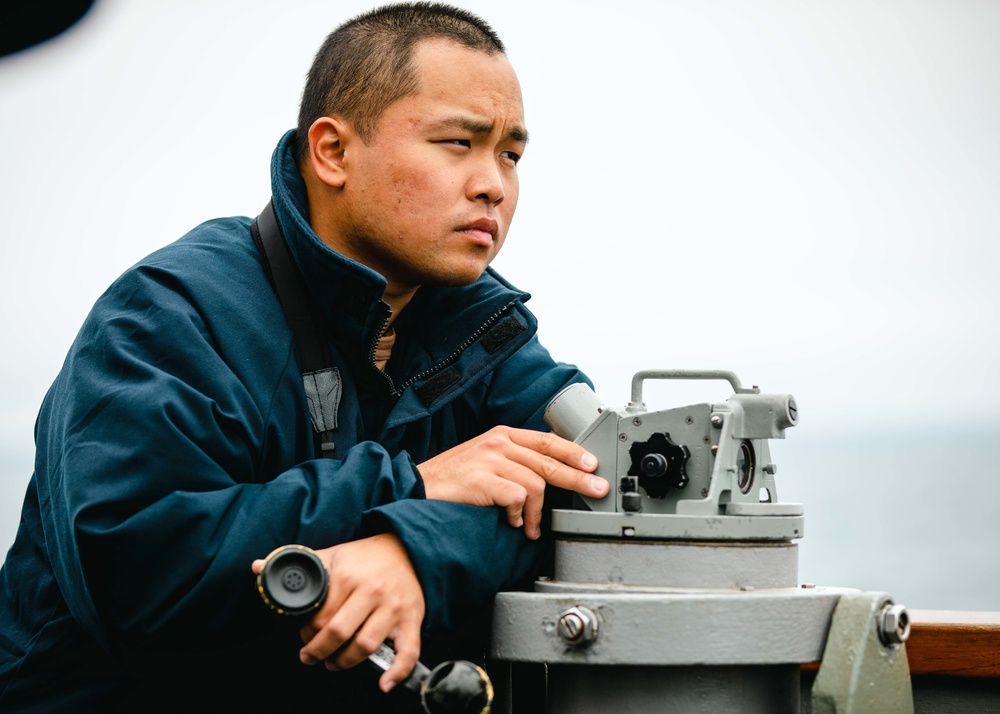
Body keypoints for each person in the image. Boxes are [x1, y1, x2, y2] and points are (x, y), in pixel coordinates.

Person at [0, 3, 609, 712]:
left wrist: (411, 548)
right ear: (332, 153)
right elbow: (140, 569)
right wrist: (410, 487)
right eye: (456, 143)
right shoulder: (170, 314)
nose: (493, 185)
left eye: (510, 153)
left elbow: (589, 487)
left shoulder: (486, 328)